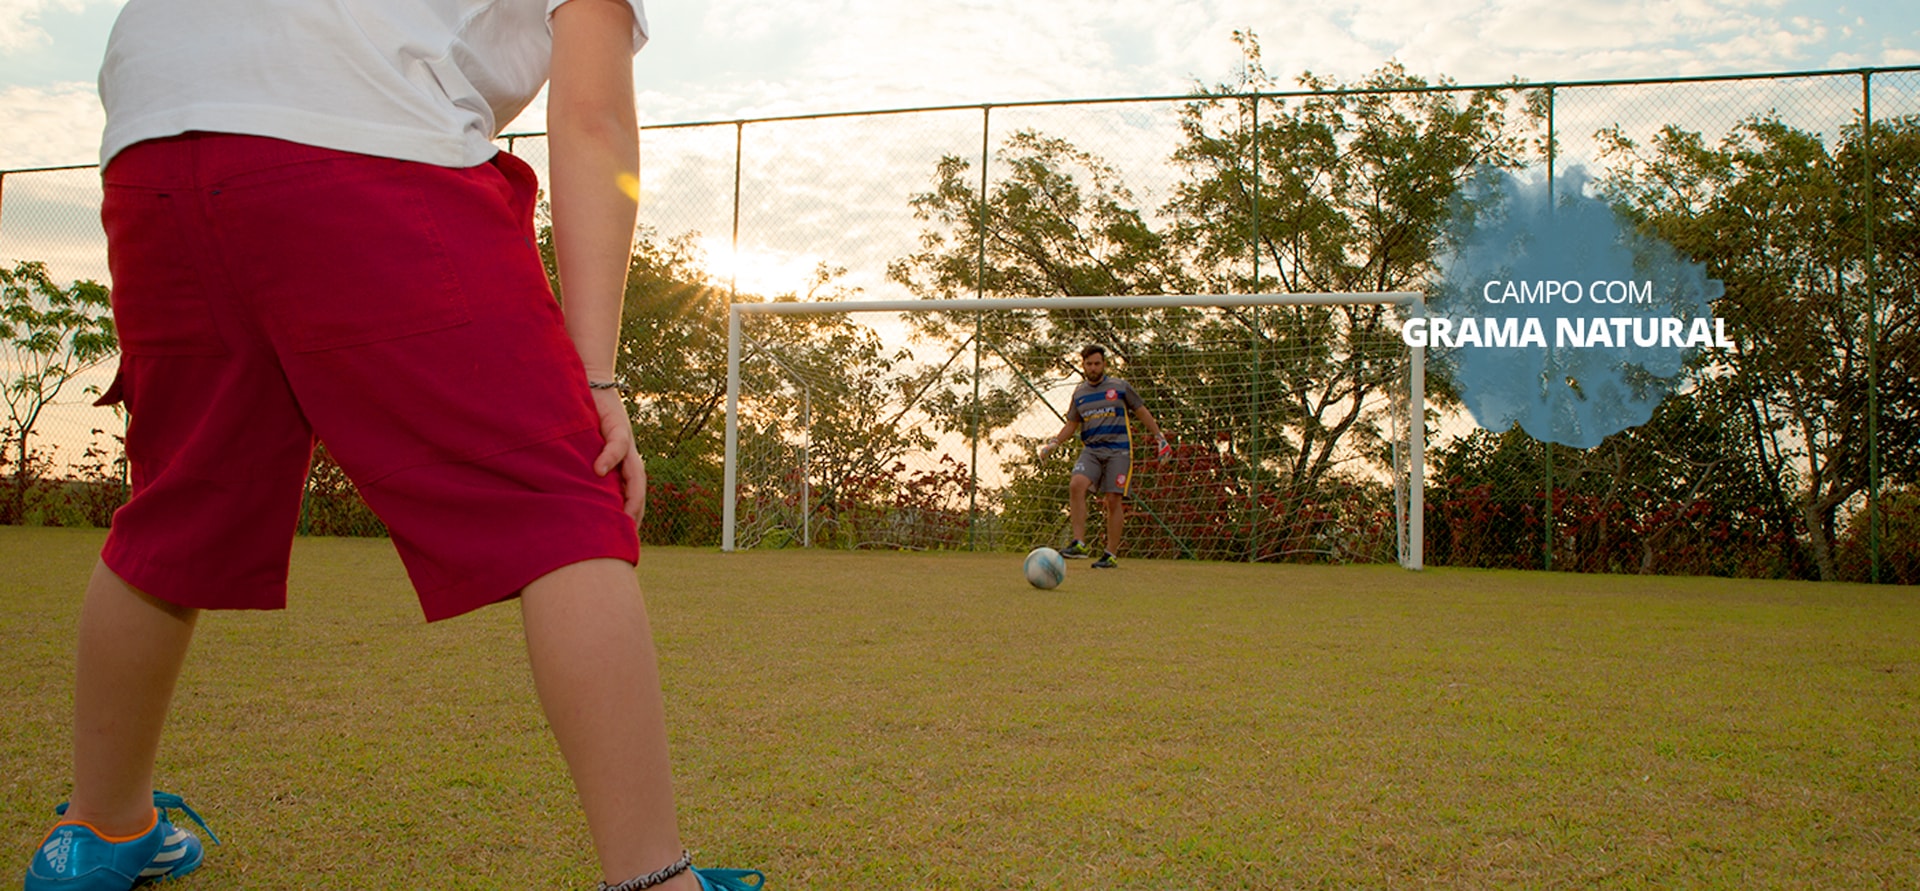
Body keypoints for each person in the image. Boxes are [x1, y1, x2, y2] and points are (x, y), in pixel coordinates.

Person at [22, 2, 761, 890]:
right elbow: (593, 117)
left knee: (177, 502)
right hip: (364, 136)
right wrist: (596, 380)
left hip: (154, 139)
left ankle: (97, 829)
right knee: (567, 497)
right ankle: (654, 878)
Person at [1036, 345, 1169, 569]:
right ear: (1084, 366)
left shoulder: (1120, 387)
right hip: (1092, 451)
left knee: (1113, 500)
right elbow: (1072, 424)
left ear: (1104, 364)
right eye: (1089, 364)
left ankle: (1110, 554)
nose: (1094, 367)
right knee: (1076, 484)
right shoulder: (1079, 394)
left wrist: (1160, 438)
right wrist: (1054, 443)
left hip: (1119, 451)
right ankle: (1079, 543)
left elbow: (1142, 411)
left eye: (1097, 363)